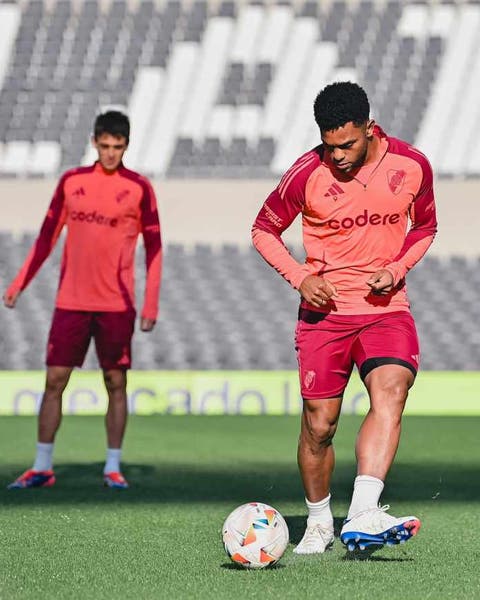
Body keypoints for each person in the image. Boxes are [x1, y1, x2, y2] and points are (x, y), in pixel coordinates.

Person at [252, 82, 437, 553]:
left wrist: (396, 269)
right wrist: (299, 277)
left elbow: (426, 226)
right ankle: (318, 521)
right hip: (324, 315)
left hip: (385, 310)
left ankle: (361, 512)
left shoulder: (411, 165)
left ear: (370, 129)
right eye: (329, 145)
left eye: (347, 145)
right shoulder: (305, 174)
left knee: (392, 388)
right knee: (320, 426)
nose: (336, 156)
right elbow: (263, 229)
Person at [4, 110, 162, 490]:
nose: (110, 153)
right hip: (71, 301)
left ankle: (112, 467)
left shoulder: (139, 187)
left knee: (115, 382)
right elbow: (46, 237)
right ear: (94, 142)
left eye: (118, 147)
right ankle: (42, 467)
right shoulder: (71, 182)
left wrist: (150, 303)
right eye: (104, 145)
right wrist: (19, 283)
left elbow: (155, 248)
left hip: (117, 305)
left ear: (126, 145)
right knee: (54, 380)